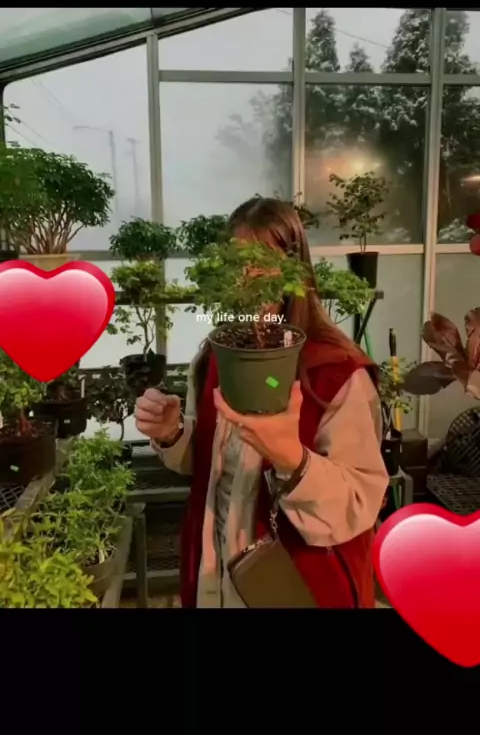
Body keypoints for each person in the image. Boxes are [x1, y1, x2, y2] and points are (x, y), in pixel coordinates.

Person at [134, 197, 389, 608]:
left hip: (298, 585)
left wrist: (293, 460)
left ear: (294, 268)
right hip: (216, 576)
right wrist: (174, 433)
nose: (248, 277)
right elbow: (211, 464)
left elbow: (360, 500)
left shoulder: (335, 373)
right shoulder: (215, 359)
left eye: (263, 262)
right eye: (237, 263)